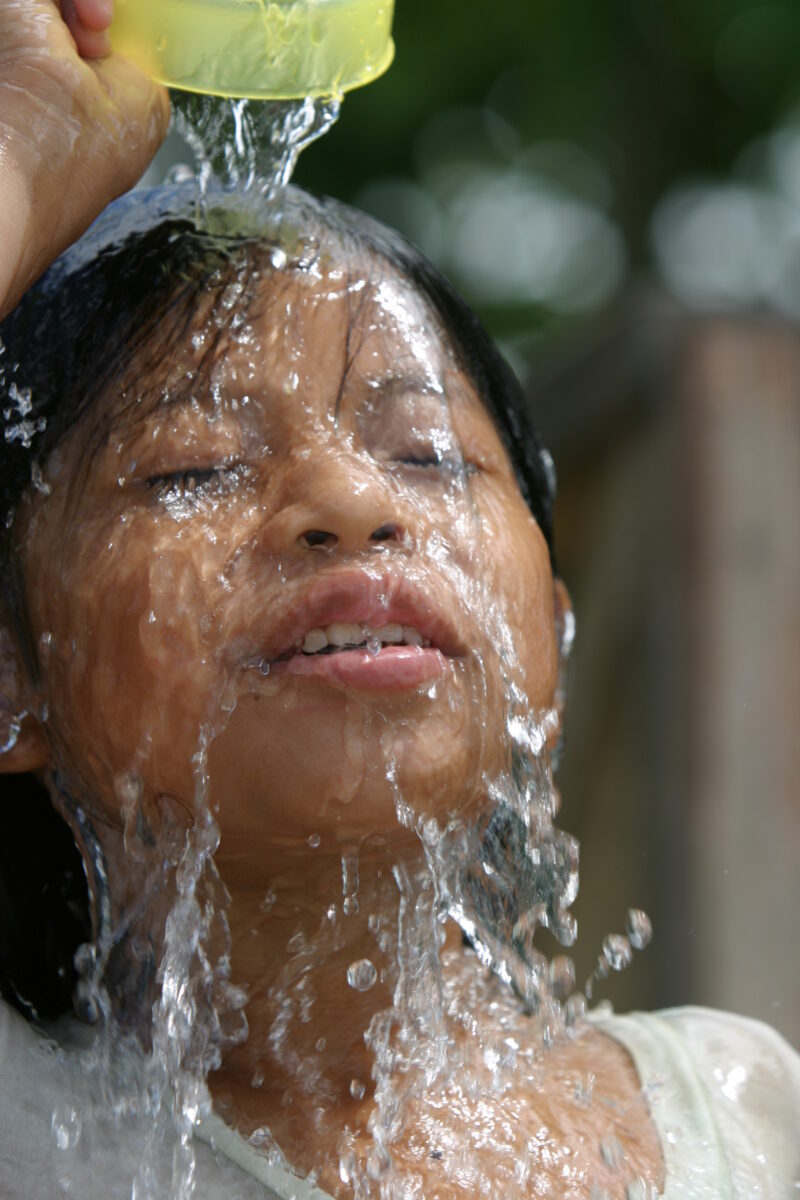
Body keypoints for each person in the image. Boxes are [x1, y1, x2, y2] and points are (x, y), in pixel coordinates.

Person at [0, 4, 798, 1198]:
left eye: (425, 451)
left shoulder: (750, 1110)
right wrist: (22, 150)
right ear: (13, 670)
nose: (348, 497)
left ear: (552, 629)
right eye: (196, 467)